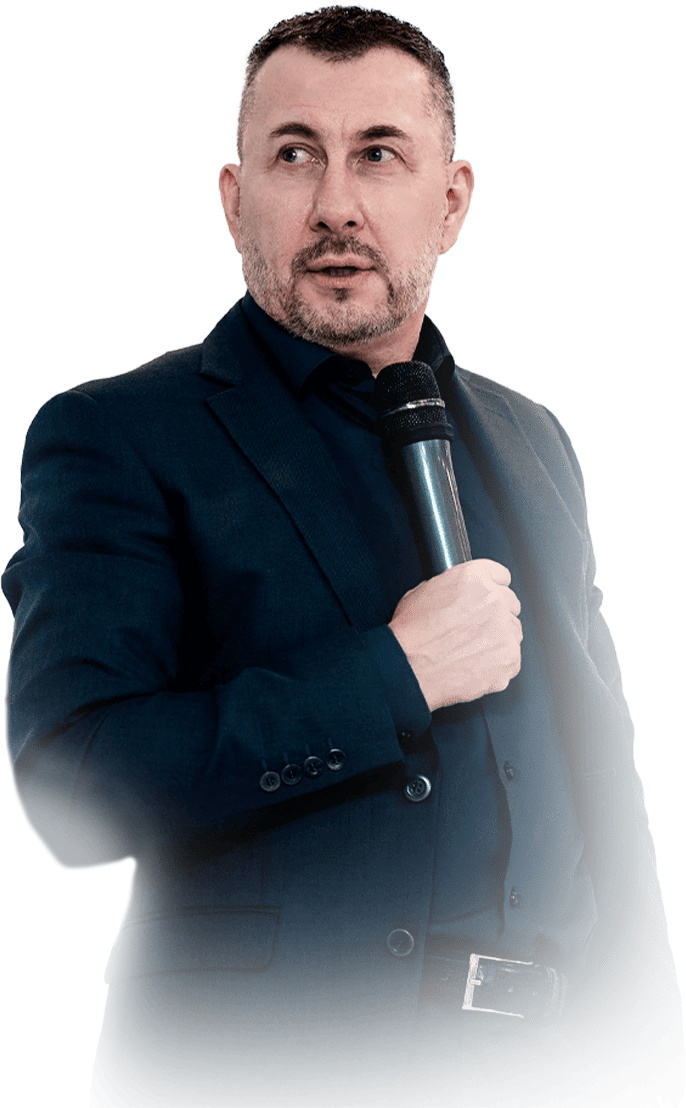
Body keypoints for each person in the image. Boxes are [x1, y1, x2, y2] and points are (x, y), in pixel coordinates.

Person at [2, 5, 683, 1107]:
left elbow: (598, 768)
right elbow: (76, 781)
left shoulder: (533, 438)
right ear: (235, 198)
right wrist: (392, 675)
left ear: (450, 200)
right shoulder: (119, 435)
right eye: (293, 154)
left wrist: (651, 1060)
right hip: (272, 1077)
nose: (334, 205)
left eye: (377, 154)